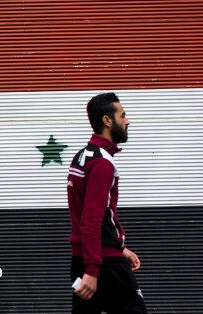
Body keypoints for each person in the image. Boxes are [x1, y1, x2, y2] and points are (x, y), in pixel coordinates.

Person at [67, 92, 147, 313]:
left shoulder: (83, 156)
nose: (127, 120)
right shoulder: (102, 163)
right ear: (107, 120)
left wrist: (119, 249)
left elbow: (85, 215)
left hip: (85, 258)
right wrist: (93, 270)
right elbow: (92, 218)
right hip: (103, 264)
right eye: (123, 115)